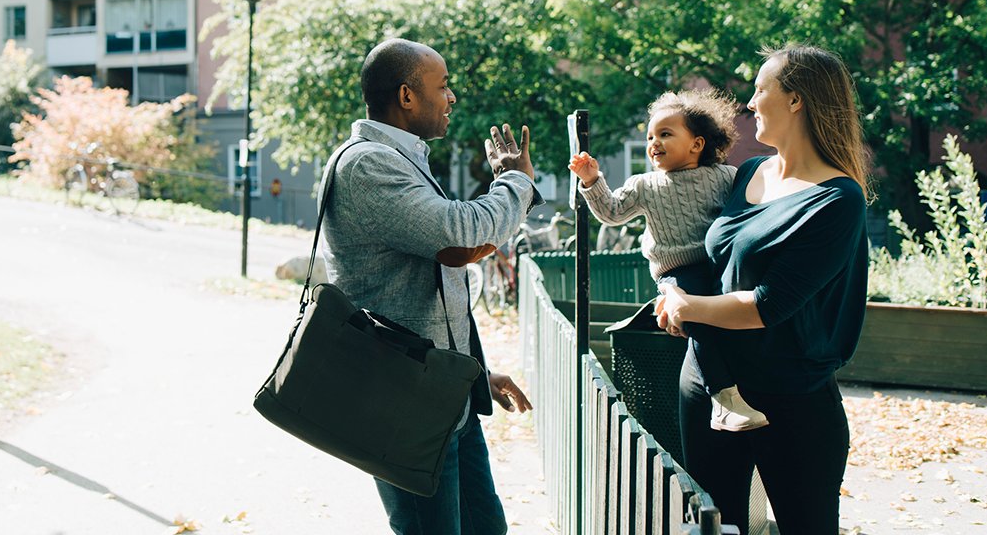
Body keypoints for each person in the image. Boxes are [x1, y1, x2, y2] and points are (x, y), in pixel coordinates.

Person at [319, 37, 536, 535]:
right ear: (406, 96)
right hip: (405, 406)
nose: (452, 97)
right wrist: (516, 182)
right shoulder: (366, 164)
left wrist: (476, 373)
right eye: (443, 86)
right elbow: (460, 231)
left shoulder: (401, 158)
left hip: (444, 395)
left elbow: (445, 260)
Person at [656, 45, 871, 535]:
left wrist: (689, 305)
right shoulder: (750, 172)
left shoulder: (838, 200)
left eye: (760, 90)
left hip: (790, 399)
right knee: (717, 527)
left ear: (795, 99)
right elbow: (711, 259)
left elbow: (768, 305)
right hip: (709, 384)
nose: (749, 104)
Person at [568, 89, 767, 431]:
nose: (653, 142)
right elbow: (612, 213)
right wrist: (591, 180)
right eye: (650, 136)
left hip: (716, 265)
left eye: (665, 134)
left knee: (729, 316)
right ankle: (723, 399)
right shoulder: (644, 185)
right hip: (676, 272)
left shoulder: (724, 177)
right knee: (696, 317)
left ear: (697, 144)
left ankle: (754, 381)